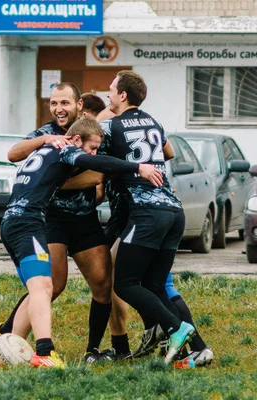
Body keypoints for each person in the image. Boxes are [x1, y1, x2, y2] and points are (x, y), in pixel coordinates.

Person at [0, 117, 162, 368]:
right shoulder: (65, 149)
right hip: (26, 222)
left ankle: (12, 348)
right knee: (44, 287)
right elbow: (93, 162)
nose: (94, 152)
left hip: (13, 222)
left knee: (37, 290)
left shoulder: (45, 149)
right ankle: (45, 351)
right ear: (76, 139)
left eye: (97, 148)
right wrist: (138, 167)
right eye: (92, 146)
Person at [100, 70, 195, 365]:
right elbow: (167, 152)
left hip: (147, 213)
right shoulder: (154, 121)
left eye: (112, 89)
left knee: (125, 283)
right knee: (154, 284)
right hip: (173, 211)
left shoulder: (111, 126)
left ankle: (176, 328)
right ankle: (190, 350)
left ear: (123, 95)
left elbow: (95, 157)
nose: (108, 93)